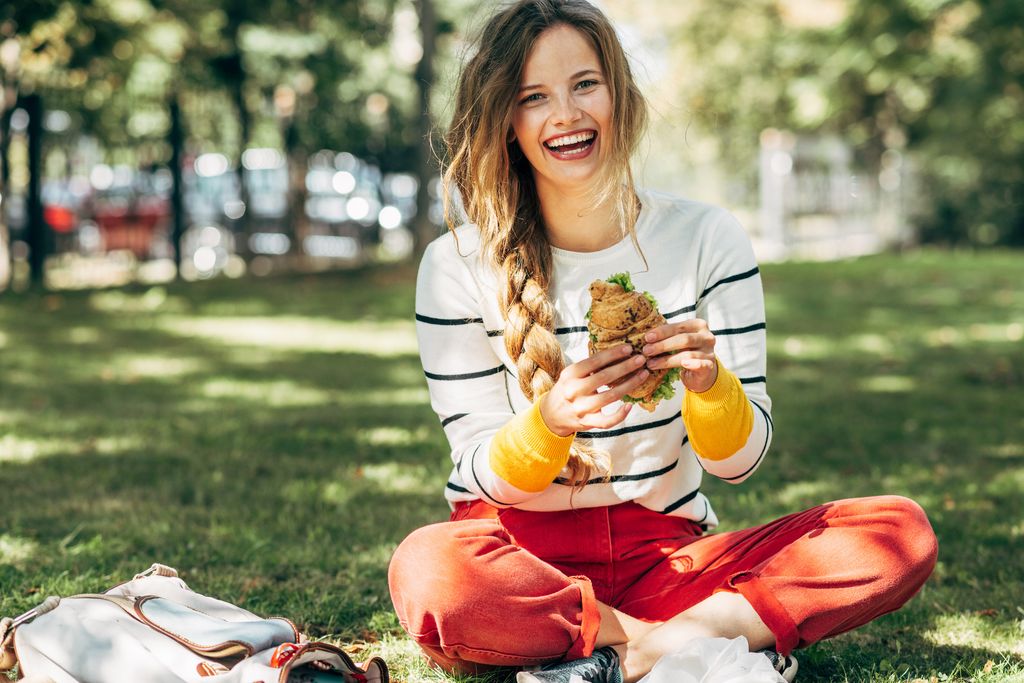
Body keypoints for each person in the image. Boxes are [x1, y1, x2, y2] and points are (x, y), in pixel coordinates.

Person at [388, 1, 938, 681]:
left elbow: (741, 461)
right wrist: (550, 421)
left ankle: (626, 652)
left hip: (668, 563)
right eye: (535, 97)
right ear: (506, 120)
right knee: (429, 567)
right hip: (522, 569)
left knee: (898, 530)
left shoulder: (708, 238)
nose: (566, 113)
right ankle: (674, 646)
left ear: (619, 93)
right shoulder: (456, 265)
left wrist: (710, 385)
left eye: (585, 84)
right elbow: (475, 468)